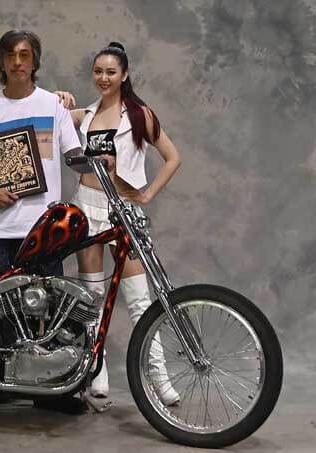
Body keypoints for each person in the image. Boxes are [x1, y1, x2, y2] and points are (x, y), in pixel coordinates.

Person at [0, 30, 86, 413]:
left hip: (44, 230)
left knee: (51, 311)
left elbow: (74, 154)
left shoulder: (53, 105)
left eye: (25, 55)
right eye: (10, 55)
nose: (17, 62)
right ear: (2, 62)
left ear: (35, 61)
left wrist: (102, 162)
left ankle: (54, 391)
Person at [68, 42, 182, 403]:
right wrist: (60, 98)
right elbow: (46, 109)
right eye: (98, 72)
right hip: (87, 207)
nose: (103, 78)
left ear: (124, 75)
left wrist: (146, 195)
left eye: (111, 72)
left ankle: (160, 379)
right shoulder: (85, 114)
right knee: (92, 297)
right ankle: (97, 371)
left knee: (139, 300)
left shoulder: (139, 115)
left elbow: (172, 157)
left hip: (123, 210)